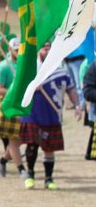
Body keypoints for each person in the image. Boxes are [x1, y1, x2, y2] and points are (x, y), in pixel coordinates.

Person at [20, 43, 81, 189]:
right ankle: (30, 175)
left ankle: (49, 179)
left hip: (53, 114)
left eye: (49, 47)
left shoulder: (61, 71)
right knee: (32, 145)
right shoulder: (31, 70)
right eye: (44, 47)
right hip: (32, 114)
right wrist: (32, 85)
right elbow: (19, 88)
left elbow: (71, 89)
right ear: (38, 50)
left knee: (49, 148)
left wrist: (77, 105)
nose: (47, 49)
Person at [0, 38, 26, 178]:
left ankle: (2, 161)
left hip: (23, 106)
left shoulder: (24, 65)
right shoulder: (3, 67)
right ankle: (22, 169)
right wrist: (14, 92)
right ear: (10, 50)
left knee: (20, 140)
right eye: (16, 50)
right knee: (14, 140)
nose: (18, 52)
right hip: (8, 107)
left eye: (20, 50)